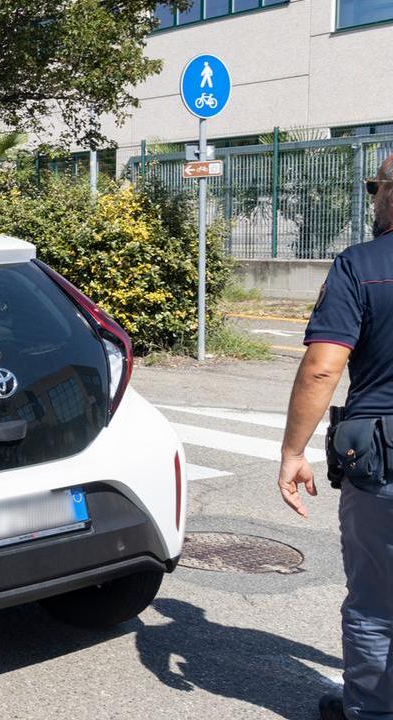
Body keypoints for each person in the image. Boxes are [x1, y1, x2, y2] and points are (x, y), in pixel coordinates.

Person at [278, 155, 393, 720]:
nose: (373, 197)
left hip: (385, 459)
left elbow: (324, 367)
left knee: (377, 602)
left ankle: (370, 712)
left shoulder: (360, 265)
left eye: (376, 187)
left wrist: (293, 452)